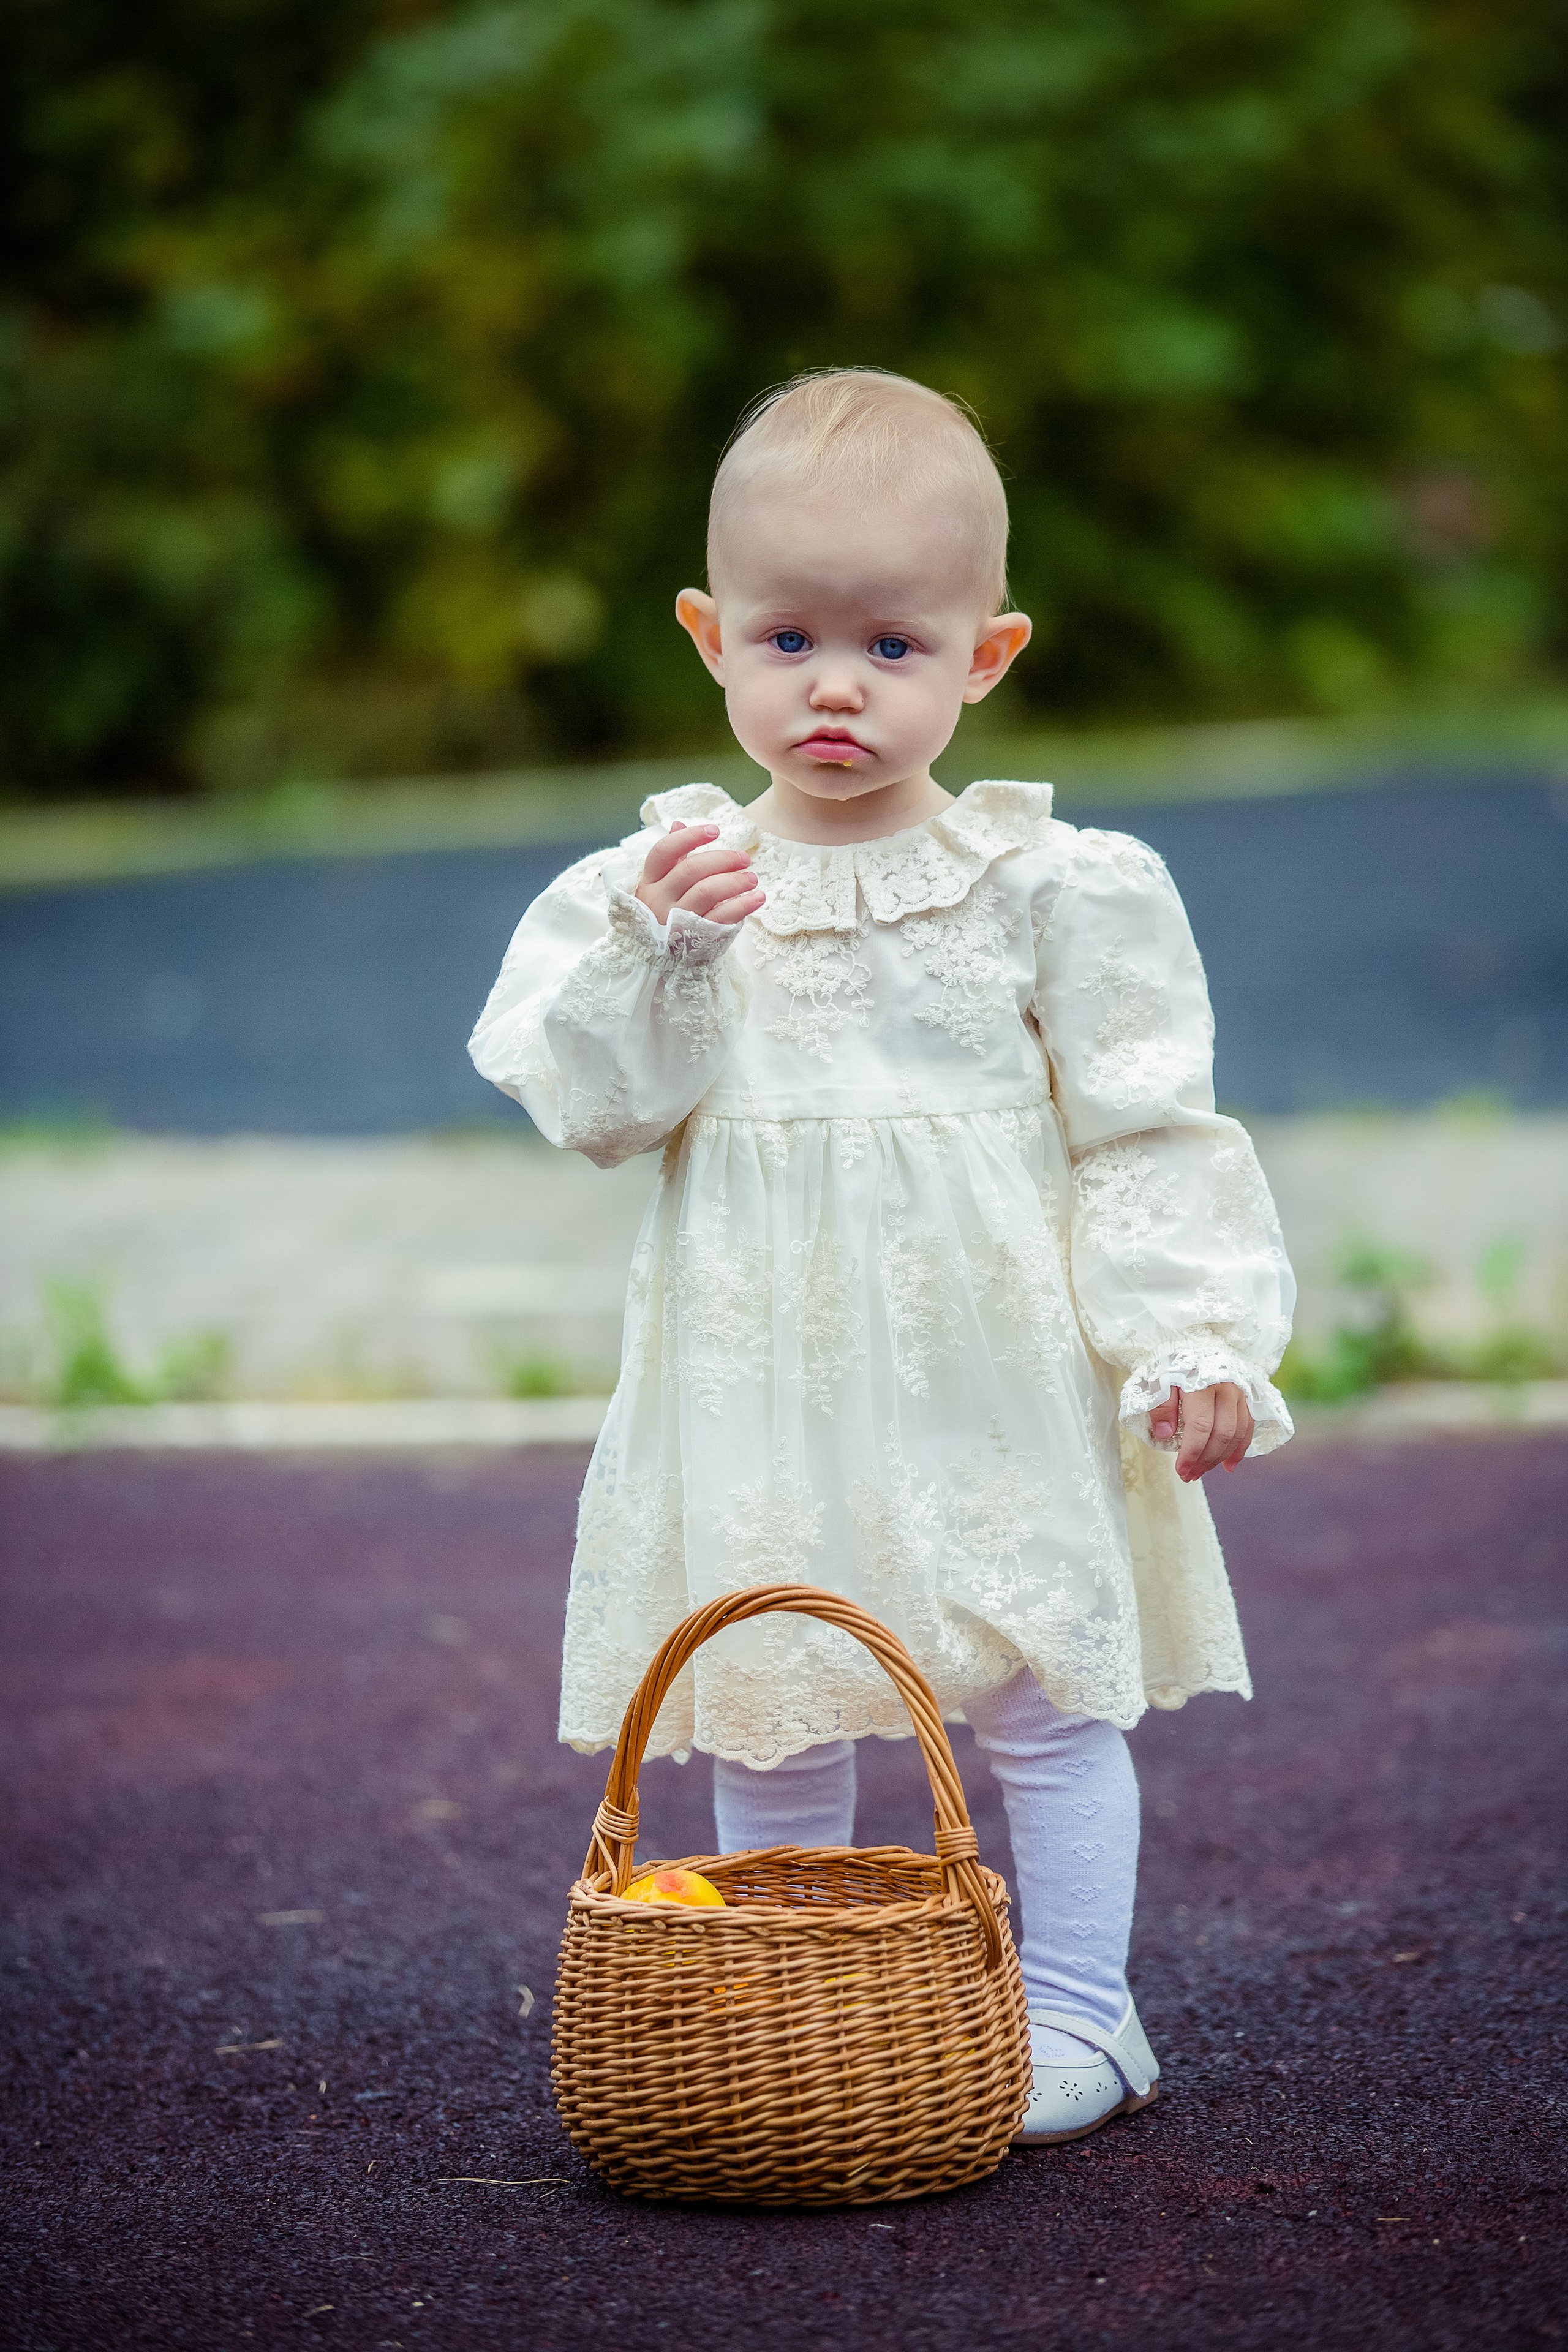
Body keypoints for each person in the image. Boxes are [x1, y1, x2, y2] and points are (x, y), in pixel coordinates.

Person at [469, 368, 1295, 2144]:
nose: (833, 684)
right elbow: (596, 1109)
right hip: (761, 1369)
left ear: (986, 658)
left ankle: (1084, 2015)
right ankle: (801, 2008)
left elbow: (1145, 1128)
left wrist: (1192, 1333)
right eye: (788, 637)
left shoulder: (1050, 885)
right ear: (709, 639)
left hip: (991, 1365)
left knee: (1041, 1693)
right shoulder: (664, 883)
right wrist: (664, 958)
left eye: (892, 646)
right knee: (778, 1697)